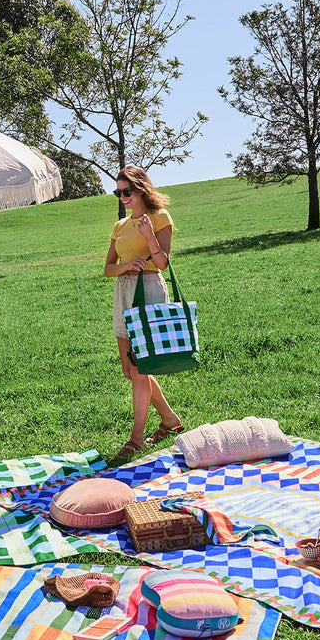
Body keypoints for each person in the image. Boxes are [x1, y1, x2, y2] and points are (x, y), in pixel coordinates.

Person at [104, 166, 184, 464]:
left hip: (148, 289)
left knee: (140, 369)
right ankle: (169, 418)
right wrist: (126, 266)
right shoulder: (120, 226)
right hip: (123, 291)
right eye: (118, 192)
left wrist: (149, 236)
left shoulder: (159, 217)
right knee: (130, 368)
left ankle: (136, 440)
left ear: (141, 189)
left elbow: (162, 263)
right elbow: (108, 269)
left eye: (127, 191)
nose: (122, 197)